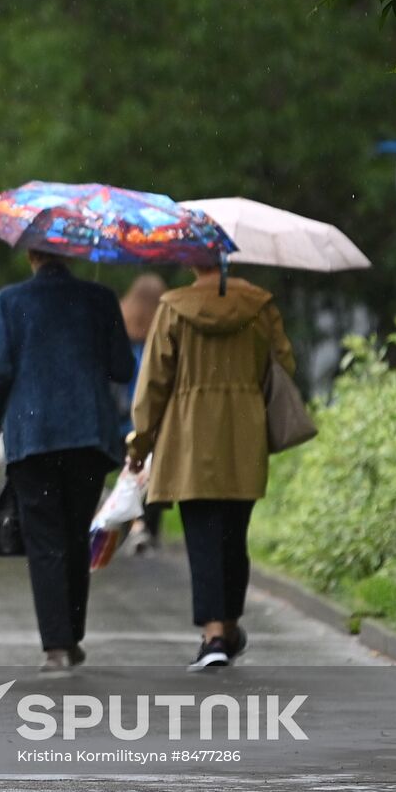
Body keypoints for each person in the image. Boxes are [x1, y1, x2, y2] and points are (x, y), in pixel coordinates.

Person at [126, 264, 295, 670]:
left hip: (189, 435)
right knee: (234, 535)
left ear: (189, 262)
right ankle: (231, 625)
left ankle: (214, 635)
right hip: (244, 432)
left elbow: (153, 383)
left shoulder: (173, 307)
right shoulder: (259, 306)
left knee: (202, 537)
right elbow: (284, 365)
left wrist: (141, 439)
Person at [0, 249, 134, 672]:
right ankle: (72, 633)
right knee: (74, 535)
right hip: (87, 435)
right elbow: (122, 367)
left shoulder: (8, 302)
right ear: (71, 253)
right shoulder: (99, 298)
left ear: (31, 254)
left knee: (44, 539)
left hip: (33, 439)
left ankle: (57, 646)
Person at [117, 273, 169, 554]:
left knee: (129, 470)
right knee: (154, 471)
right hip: (154, 416)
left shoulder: (120, 330)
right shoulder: (162, 335)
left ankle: (129, 524)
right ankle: (148, 526)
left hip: (124, 418)